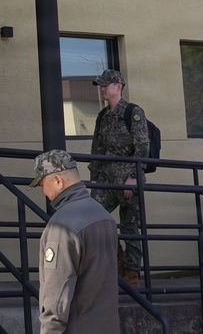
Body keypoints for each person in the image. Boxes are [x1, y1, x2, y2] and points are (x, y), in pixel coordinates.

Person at [31, 149, 120, 334]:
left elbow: (56, 292)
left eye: (42, 185)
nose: (44, 192)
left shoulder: (61, 225)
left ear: (58, 181)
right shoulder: (104, 215)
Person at [89, 68, 150, 287]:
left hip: (128, 179)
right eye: (101, 85)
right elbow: (97, 148)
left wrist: (133, 177)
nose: (102, 89)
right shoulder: (103, 116)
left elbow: (143, 148)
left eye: (106, 85)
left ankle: (132, 274)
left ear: (118, 86)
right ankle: (118, 259)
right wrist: (94, 177)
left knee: (130, 227)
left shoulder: (133, 112)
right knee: (93, 217)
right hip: (106, 178)